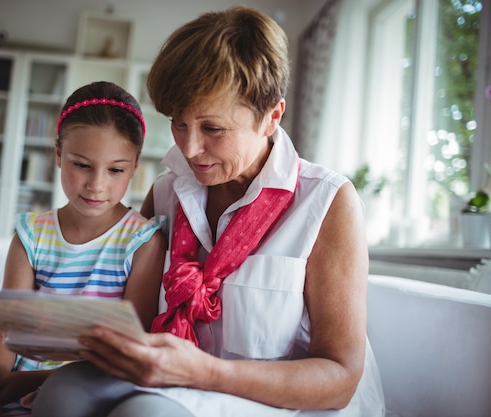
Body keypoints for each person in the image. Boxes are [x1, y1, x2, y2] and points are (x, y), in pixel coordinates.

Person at [32, 6, 386, 417]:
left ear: (271, 116)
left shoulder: (327, 202)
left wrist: (206, 372)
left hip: (277, 402)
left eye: (212, 129)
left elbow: (340, 378)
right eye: (178, 123)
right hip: (177, 383)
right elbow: (129, 317)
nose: (189, 147)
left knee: (145, 415)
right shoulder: (166, 192)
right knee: (60, 395)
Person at [0, 81, 167, 417]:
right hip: (16, 372)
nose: (97, 184)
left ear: (135, 165)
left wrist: (34, 381)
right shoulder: (31, 235)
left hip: (88, 382)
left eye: (115, 170)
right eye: (81, 164)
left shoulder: (143, 242)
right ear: (58, 154)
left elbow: (129, 350)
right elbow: (4, 333)